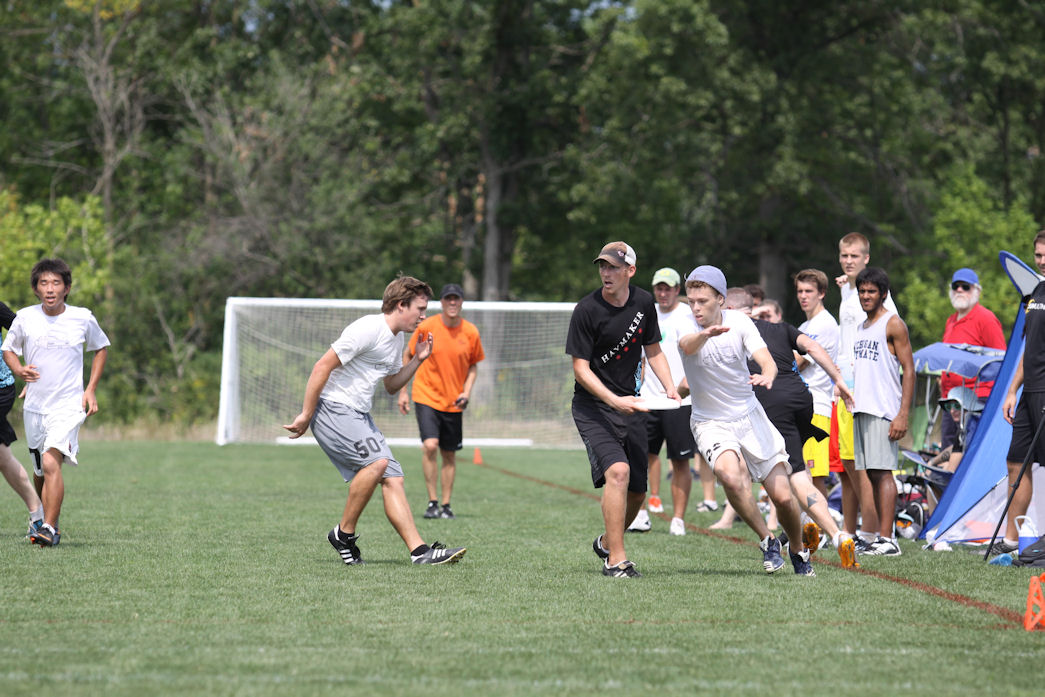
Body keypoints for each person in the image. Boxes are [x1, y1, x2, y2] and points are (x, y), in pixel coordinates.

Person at [283, 276, 466, 566]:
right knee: (378, 463)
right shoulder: (368, 328)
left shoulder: (397, 338)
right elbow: (322, 366)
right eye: (419, 309)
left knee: (393, 477)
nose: (423, 316)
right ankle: (343, 534)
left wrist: (417, 360)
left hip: (358, 414)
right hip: (332, 408)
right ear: (400, 305)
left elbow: (391, 385)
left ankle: (419, 552)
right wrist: (306, 414)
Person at [678, 266, 814, 576]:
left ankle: (797, 548)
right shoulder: (686, 324)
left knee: (782, 496)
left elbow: (766, 360)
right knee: (728, 475)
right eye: (692, 301)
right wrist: (704, 335)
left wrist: (768, 374)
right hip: (710, 421)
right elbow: (687, 345)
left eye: (702, 301)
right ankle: (768, 539)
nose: (696, 307)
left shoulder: (740, 322)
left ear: (721, 299)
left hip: (749, 415)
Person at [566, 241, 679, 578]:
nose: (606, 272)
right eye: (602, 266)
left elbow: (653, 349)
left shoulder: (644, 302)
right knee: (618, 472)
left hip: (632, 405)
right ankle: (616, 560)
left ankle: (606, 542)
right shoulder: (586, 310)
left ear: (631, 270)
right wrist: (614, 400)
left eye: (613, 267)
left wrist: (670, 387)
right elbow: (580, 369)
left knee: (638, 492)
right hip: (593, 406)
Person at [728, 287, 858, 568]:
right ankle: (837, 535)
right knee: (799, 472)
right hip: (800, 398)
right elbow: (814, 348)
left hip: (768, 399)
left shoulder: (729, 332)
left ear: (729, 309)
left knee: (775, 478)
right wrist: (838, 379)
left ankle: (789, 532)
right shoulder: (781, 327)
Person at [1, 258, 109, 547]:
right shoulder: (25, 318)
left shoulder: (82, 317)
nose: (50, 289)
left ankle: (49, 528)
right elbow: (8, 349)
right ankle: (46, 519)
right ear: (36, 289)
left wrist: (90, 389)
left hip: (68, 406)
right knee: (40, 471)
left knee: (51, 461)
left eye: (56, 283)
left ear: (67, 288)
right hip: (35, 407)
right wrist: (19, 370)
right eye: (44, 283)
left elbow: (101, 348)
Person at [635, 267, 712, 537]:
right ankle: (640, 513)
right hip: (647, 400)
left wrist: (687, 386)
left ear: (677, 290)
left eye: (668, 288)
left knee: (680, 462)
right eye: (659, 288)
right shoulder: (647, 313)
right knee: (640, 459)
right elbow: (642, 357)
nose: (663, 293)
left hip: (680, 401)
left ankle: (678, 519)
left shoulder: (688, 315)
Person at [398, 283, 485, 520]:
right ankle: (432, 502)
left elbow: (474, 366)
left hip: (453, 401)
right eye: (448, 299)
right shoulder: (427, 327)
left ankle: (446, 505)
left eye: (456, 298)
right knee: (430, 445)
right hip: (426, 395)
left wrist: (466, 392)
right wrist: (403, 391)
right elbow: (408, 354)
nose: (452, 303)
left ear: (462, 302)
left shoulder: (470, 332)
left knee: (449, 453)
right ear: (442, 303)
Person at [834, 232, 895, 551]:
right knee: (852, 463)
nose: (848, 261)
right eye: (844, 256)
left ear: (866, 258)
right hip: (846, 389)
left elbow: (888, 348)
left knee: (868, 466)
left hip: (865, 393)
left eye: (854, 256)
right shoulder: (850, 292)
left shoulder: (877, 298)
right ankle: (865, 531)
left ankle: (873, 532)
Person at [852, 267, 915, 557]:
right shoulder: (861, 327)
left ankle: (889, 540)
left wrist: (902, 414)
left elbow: (909, 369)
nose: (866, 296)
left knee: (883, 472)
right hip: (862, 408)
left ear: (883, 294)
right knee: (872, 474)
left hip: (883, 409)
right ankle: (879, 536)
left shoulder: (893, 324)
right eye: (862, 291)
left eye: (871, 291)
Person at [997, 231, 1045, 556]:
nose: (1042, 261)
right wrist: (1012, 390)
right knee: (1016, 462)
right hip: (1029, 393)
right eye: (1038, 255)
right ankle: (1011, 543)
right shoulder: (1035, 292)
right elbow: (1029, 349)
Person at [939, 268, 1005, 451]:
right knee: (948, 451)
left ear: (977, 291)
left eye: (965, 287)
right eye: (956, 286)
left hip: (975, 399)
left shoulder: (986, 319)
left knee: (967, 452)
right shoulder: (951, 321)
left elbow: (1000, 361)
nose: (959, 290)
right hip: (951, 401)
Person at [0, 300, 45, 536]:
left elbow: (25, 332)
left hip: (0, 388)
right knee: (2, 456)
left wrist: (27, 371)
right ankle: (38, 515)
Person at [794, 269, 840, 498]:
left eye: (809, 291)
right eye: (800, 291)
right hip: (801, 404)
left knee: (814, 475)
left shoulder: (824, 324)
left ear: (821, 293)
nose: (803, 296)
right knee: (800, 472)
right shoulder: (805, 326)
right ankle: (806, 520)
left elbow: (798, 363)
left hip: (817, 406)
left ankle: (820, 521)